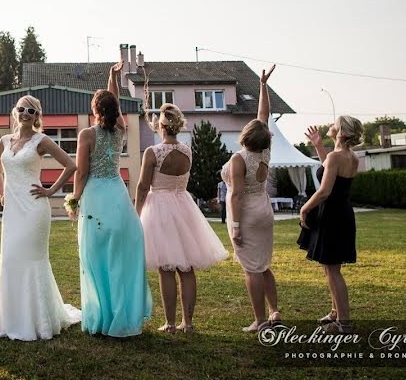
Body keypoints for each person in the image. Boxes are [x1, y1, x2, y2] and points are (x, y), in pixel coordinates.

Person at [0, 95, 81, 340]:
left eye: (31, 111)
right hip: (12, 211)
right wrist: (1, 192)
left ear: (37, 117)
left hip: (34, 209)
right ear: (15, 111)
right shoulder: (4, 141)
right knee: (10, 259)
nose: (25, 113)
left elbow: (71, 165)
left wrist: (51, 190)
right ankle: (11, 317)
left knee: (32, 260)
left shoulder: (41, 141)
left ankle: (37, 320)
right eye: (22, 109)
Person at [70, 63, 151, 337]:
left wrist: (73, 200)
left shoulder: (86, 135)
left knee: (95, 259)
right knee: (116, 258)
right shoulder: (121, 129)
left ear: (94, 111)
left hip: (95, 196)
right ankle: (119, 315)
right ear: (115, 110)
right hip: (117, 195)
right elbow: (112, 102)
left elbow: (81, 172)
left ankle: (100, 318)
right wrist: (112, 78)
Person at [136, 103, 227, 333]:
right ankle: (188, 322)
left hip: (160, 208)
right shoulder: (188, 151)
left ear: (161, 126)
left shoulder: (153, 152)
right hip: (184, 206)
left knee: (166, 268)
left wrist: (136, 213)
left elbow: (143, 186)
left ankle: (170, 322)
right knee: (186, 268)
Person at [220, 65, 281, 332]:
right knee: (263, 265)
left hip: (246, 213)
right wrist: (262, 86)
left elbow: (234, 195)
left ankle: (259, 320)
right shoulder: (264, 153)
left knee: (251, 269)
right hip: (264, 210)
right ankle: (274, 311)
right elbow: (263, 115)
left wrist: (234, 227)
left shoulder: (239, 158)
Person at [298, 116, 362, 334]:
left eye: (335, 124)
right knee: (329, 267)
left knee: (333, 270)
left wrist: (304, 208)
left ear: (341, 132)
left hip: (332, 215)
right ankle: (335, 313)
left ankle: (343, 323)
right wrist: (318, 145)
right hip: (341, 213)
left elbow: (324, 191)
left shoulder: (337, 156)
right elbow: (329, 171)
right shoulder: (350, 156)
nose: (330, 126)